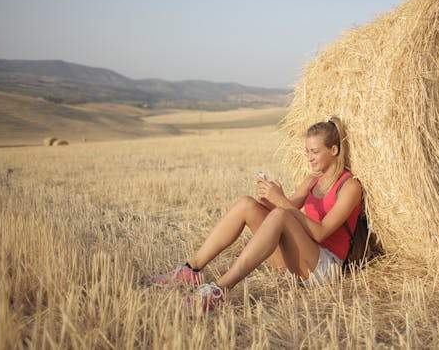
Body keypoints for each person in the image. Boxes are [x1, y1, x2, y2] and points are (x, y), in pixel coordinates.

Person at [149, 116, 363, 312]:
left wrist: (280, 202)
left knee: (280, 214)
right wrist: (269, 198)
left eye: (315, 152)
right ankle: (191, 270)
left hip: (326, 268)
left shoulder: (349, 186)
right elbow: (287, 211)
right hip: (300, 255)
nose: (309, 157)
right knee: (247, 204)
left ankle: (218, 290)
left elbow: (320, 233)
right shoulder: (312, 179)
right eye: (307, 151)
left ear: (334, 150)